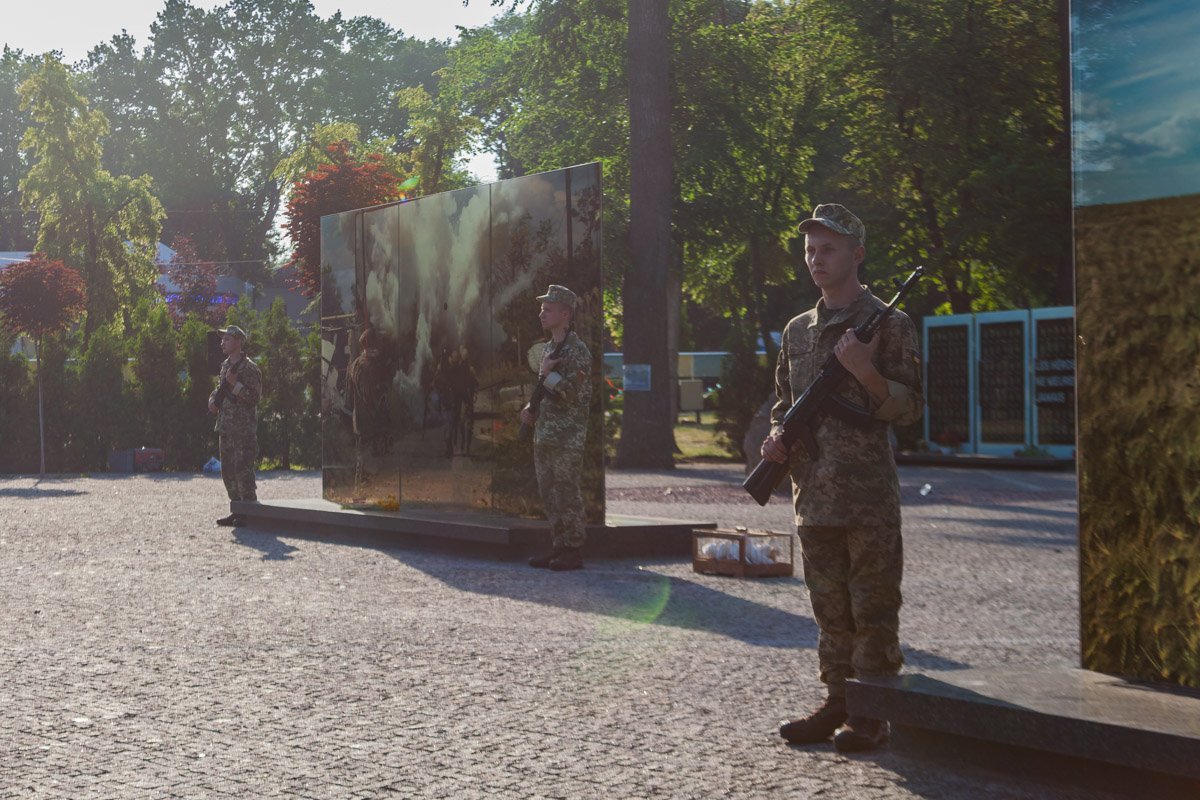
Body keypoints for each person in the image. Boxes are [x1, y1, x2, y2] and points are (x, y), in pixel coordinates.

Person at [761, 204, 923, 753]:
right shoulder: (797, 330)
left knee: (873, 607)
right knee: (829, 607)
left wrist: (863, 370)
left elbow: (910, 409)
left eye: (828, 248)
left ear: (856, 254)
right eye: (810, 249)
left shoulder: (890, 324)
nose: (816, 258)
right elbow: (786, 403)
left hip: (866, 497)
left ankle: (871, 715)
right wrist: (777, 438)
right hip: (813, 494)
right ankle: (836, 702)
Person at [520, 285, 592, 571]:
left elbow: (575, 395)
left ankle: (573, 550)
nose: (541, 314)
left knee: (566, 491)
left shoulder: (578, 351)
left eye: (548, 309)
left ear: (565, 313)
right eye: (541, 308)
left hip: (567, 438)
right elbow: (544, 389)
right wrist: (530, 408)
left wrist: (548, 375)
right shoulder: (549, 348)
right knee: (549, 492)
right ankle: (558, 546)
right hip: (545, 434)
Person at [208, 325, 262, 527]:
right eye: (222, 339)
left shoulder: (250, 369)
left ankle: (248, 512)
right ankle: (237, 509)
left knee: (243, 470)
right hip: (226, 427)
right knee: (228, 471)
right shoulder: (224, 366)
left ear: (238, 342)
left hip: (243, 429)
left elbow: (255, 397)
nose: (222, 342)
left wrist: (235, 385)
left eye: (227, 339)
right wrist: (212, 400)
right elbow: (218, 388)